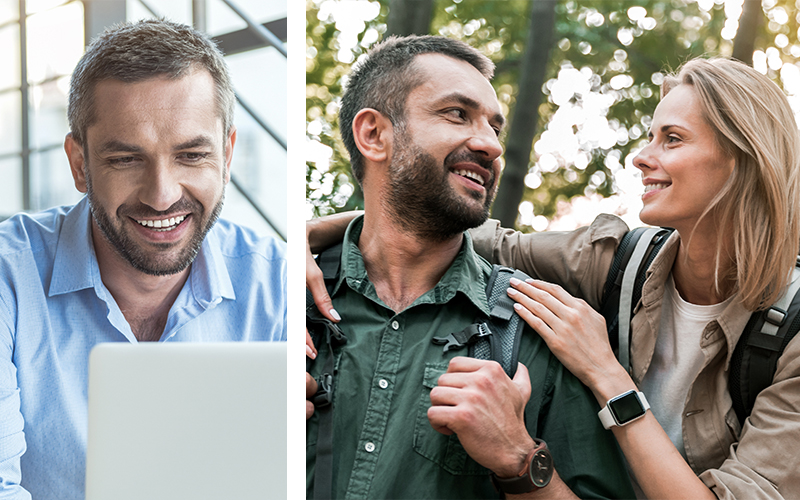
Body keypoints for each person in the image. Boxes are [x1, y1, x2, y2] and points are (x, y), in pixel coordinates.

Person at [305, 34, 633, 499]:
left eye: (494, 127)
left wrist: (519, 460)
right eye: (457, 113)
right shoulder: (278, 301)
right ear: (374, 134)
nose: (490, 145)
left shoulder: (537, 329)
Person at [481, 58, 800, 499]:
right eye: (652, 137)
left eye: (672, 139)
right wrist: (353, 231)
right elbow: (487, 242)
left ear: (740, 159)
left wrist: (605, 373)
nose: (641, 157)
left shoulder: (792, 336)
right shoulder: (621, 262)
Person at [0, 20, 286, 500]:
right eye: (126, 159)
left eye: (192, 155)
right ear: (79, 164)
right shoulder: (9, 275)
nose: (162, 195)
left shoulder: (278, 283)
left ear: (227, 156)